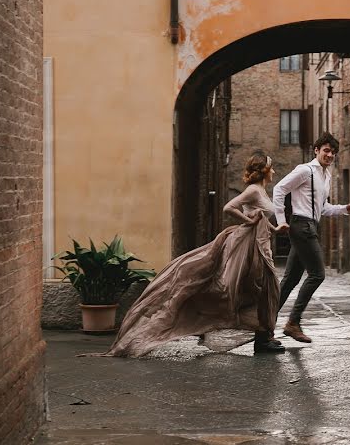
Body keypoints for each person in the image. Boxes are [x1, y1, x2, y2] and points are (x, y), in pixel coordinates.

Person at [96, 152, 286, 357]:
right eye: (271, 167)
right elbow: (229, 207)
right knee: (257, 288)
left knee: (264, 289)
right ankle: (260, 336)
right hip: (249, 248)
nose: (274, 170)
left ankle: (264, 336)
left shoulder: (262, 191)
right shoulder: (253, 191)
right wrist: (247, 221)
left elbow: (260, 217)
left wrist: (275, 229)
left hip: (262, 245)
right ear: (264, 170)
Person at [272, 132, 350, 343]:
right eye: (326, 150)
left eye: (333, 152)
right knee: (317, 275)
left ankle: (264, 322)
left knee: (290, 280)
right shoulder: (306, 171)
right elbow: (279, 189)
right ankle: (293, 322)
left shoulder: (326, 175)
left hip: (310, 225)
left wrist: (344, 209)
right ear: (317, 150)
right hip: (301, 226)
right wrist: (281, 220)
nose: (330, 155)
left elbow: (323, 208)